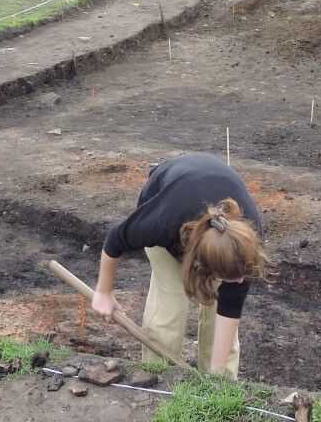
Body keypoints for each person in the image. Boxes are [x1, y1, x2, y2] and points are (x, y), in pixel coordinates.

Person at [91, 153, 269, 378]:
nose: (240, 282)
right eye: (229, 277)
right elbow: (116, 238)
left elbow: (230, 307)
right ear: (202, 265)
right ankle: (156, 379)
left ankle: (221, 387)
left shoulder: (245, 247)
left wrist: (217, 371)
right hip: (170, 207)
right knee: (170, 308)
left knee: (219, 323)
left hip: (213, 218)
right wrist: (103, 291)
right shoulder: (160, 223)